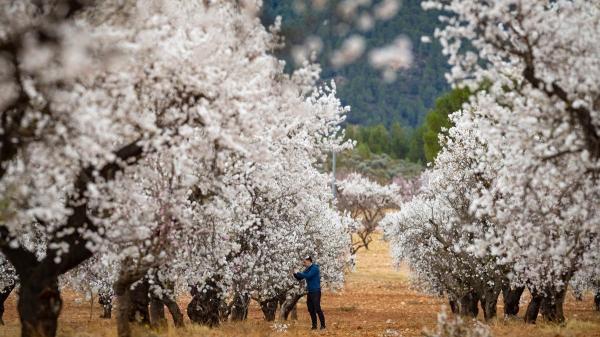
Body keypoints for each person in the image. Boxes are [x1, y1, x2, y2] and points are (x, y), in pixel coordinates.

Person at [293, 256, 326, 330]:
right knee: (310, 309)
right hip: (310, 292)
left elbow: (308, 276)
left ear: (309, 261)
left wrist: (298, 272)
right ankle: (314, 326)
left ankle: (323, 326)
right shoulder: (307, 269)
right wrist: (294, 273)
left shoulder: (314, 268)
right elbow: (300, 278)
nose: (303, 264)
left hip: (316, 291)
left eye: (304, 262)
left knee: (317, 308)